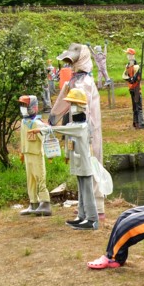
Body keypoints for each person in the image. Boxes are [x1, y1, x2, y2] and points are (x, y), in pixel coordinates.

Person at [51, 43, 106, 223]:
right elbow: (63, 101)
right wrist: (52, 119)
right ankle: (84, 208)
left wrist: (85, 132)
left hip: (89, 131)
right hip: (77, 131)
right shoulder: (74, 81)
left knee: (93, 166)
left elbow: (85, 111)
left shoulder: (86, 83)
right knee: (82, 170)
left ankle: (97, 208)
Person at [40, 87, 98, 230]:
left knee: (87, 191)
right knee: (81, 190)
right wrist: (66, 155)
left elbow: (64, 130)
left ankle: (92, 219)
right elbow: (68, 141)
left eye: (73, 104)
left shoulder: (82, 126)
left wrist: (47, 128)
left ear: (80, 106)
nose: (71, 107)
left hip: (84, 163)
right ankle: (82, 216)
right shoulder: (73, 125)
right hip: (77, 163)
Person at [17, 95, 52, 216]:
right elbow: (23, 138)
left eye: (25, 105)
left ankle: (45, 202)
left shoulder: (37, 123)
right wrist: (22, 152)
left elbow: (46, 138)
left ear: (33, 107)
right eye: (22, 105)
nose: (23, 108)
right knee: (30, 179)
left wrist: (50, 154)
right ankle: (33, 202)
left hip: (36, 154)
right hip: (27, 153)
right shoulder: (23, 122)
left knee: (40, 177)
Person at [123, 48, 144, 129]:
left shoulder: (136, 66)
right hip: (131, 88)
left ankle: (142, 123)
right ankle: (136, 122)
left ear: (132, 55)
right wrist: (129, 79)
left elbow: (138, 77)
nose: (128, 56)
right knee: (134, 107)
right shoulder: (127, 66)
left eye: (129, 54)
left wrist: (133, 79)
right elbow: (124, 75)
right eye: (127, 54)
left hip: (136, 88)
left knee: (139, 107)